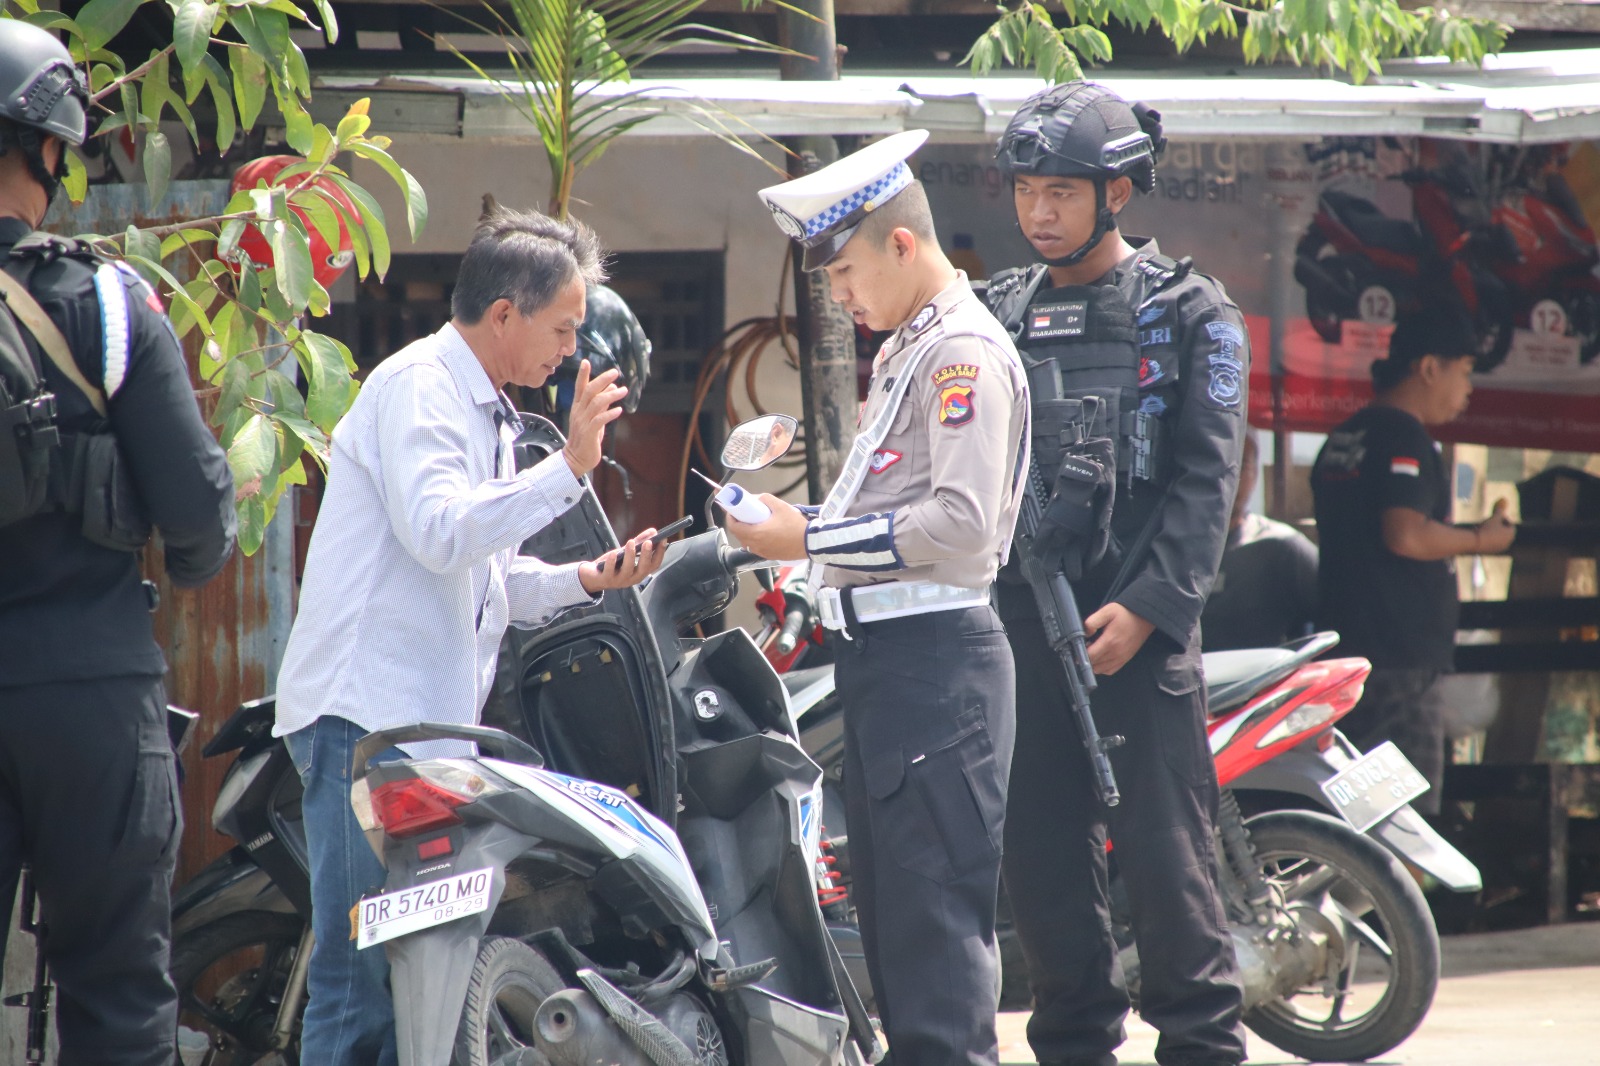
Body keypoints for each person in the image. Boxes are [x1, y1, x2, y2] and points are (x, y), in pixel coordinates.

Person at [272, 205, 668, 1065]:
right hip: (364, 722)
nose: (569, 349)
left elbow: (487, 579)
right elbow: (441, 531)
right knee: (362, 976)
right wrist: (566, 469)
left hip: (418, 738)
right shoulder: (422, 386)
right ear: (503, 316)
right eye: (562, 329)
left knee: (407, 983)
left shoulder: (486, 406)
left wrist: (589, 579)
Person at [731, 129, 1028, 1066]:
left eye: (849, 271)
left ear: (902, 243)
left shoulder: (960, 354)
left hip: (935, 670)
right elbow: (889, 522)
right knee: (902, 955)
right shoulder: (909, 350)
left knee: (935, 966)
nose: (842, 294)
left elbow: (963, 526)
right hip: (893, 672)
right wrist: (794, 541)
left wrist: (808, 535)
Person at [988, 82, 1248, 1066]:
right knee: (1044, 874)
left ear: (1118, 192)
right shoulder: (991, 314)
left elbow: (1204, 483)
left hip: (1139, 642)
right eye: (1026, 190)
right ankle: (1074, 1046)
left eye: (1061, 190)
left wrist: (1145, 609)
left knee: (1167, 870)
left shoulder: (1193, 314)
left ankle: (1200, 1045)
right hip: (1021, 637)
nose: (1039, 211)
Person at [0, 21, 236, 1064]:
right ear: (50, 149)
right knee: (119, 996)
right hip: (90, 695)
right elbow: (198, 522)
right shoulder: (107, 301)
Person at [1311, 310, 1515, 817]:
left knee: (1354, 815)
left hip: (1349, 654)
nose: (1467, 388)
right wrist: (1481, 539)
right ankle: (1388, 900)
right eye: (1465, 370)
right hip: (1398, 660)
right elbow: (1404, 533)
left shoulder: (1344, 436)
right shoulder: (1403, 436)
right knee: (1404, 824)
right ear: (1429, 367)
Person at [1200, 431, 1319, 652]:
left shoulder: (1283, 548)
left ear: (1255, 472)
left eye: (1241, 464)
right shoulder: (1169, 550)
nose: (1229, 475)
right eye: (1219, 460)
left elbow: (1338, 615)